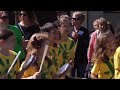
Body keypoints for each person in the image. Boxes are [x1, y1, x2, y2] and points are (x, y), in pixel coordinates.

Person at [70, 11, 89, 78]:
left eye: (74, 18)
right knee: (69, 75)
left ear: (80, 20)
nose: (72, 20)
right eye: (72, 18)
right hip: (71, 58)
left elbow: (86, 44)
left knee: (81, 76)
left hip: (81, 58)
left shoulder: (84, 31)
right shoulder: (70, 30)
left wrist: (79, 38)